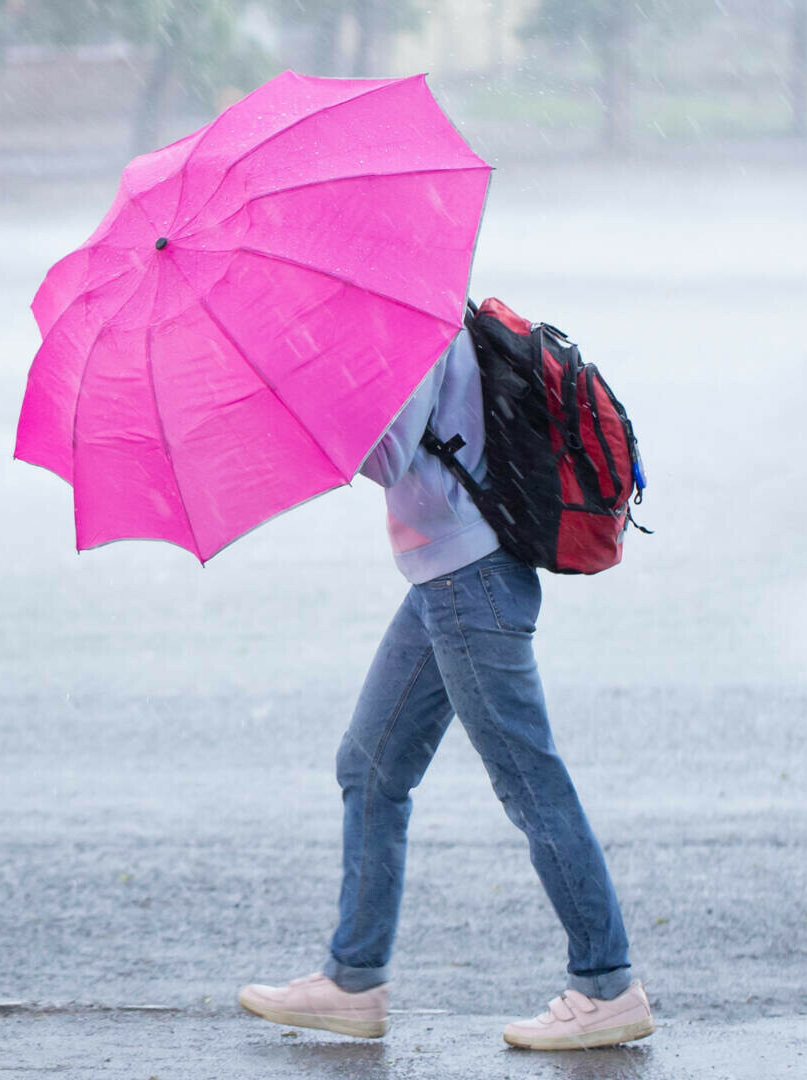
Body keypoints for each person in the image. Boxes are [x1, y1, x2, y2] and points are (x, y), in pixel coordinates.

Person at [236, 328, 655, 1051]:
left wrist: (306, 400)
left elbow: (392, 451)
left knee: (530, 782)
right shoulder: (399, 321)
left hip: (473, 584)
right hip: (444, 581)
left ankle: (607, 986)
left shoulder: (414, 328)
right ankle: (353, 982)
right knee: (370, 766)